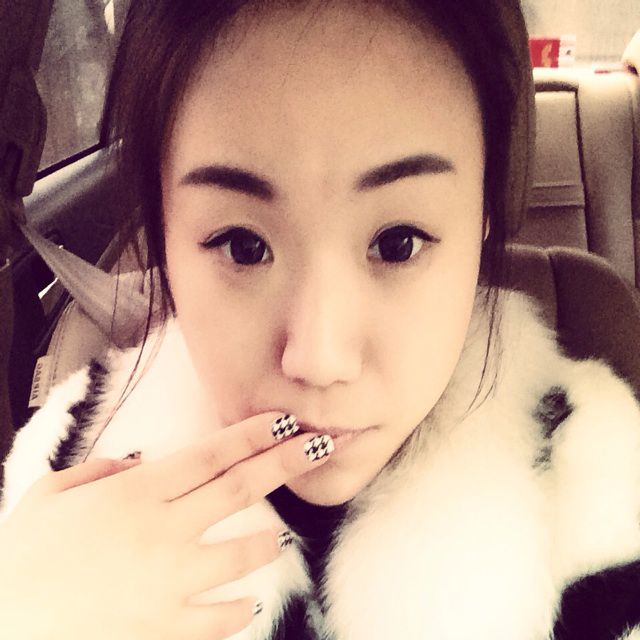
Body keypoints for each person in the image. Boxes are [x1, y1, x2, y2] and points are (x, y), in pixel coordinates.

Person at [1, 1, 640, 639]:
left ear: (483, 222)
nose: (319, 359)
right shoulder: (68, 471)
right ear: (163, 233)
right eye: (243, 246)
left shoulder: (601, 485)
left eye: (397, 243)